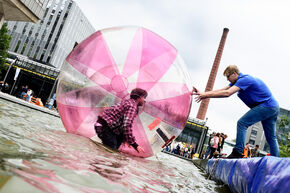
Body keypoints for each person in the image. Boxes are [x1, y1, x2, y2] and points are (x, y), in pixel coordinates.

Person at [193, 65, 280, 158]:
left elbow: (227, 93)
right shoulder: (238, 81)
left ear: (234, 73)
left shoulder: (244, 79)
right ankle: (276, 161)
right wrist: (204, 93)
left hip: (267, 105)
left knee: (242, 123)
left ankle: (238, 152)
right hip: (273, 107)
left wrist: (205, 96)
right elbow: (223, 89)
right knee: (271, 137)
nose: (227, 79)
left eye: (228, 76)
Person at [93, 88, 147, 153]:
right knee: (111, 153)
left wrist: (126, 139)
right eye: (144, 98)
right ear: (139, 97)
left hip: (104, 126)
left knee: (111, 152)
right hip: (105, 127)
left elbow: (121, 123)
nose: (145, 101)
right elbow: (126, 125)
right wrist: (135, 145)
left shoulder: (127, 102)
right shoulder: (132, 106)